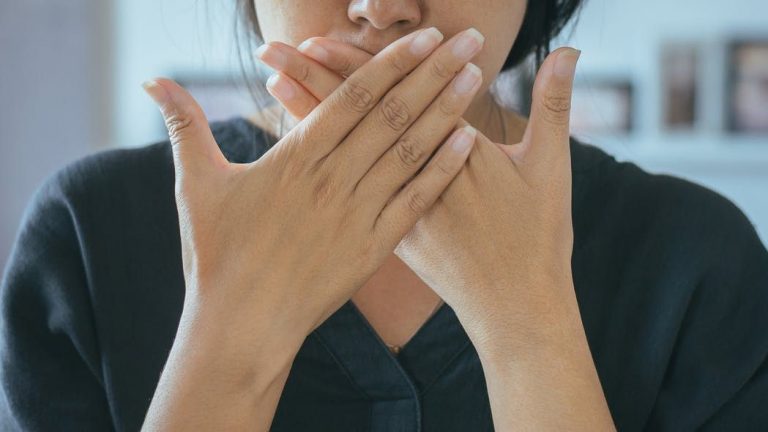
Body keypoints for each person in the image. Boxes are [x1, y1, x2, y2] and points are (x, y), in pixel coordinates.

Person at [1, 0, 767, 431]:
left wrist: (530, 333)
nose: (383, 5)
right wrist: (229, 341)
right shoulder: (85, 238)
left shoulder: (697, 260)